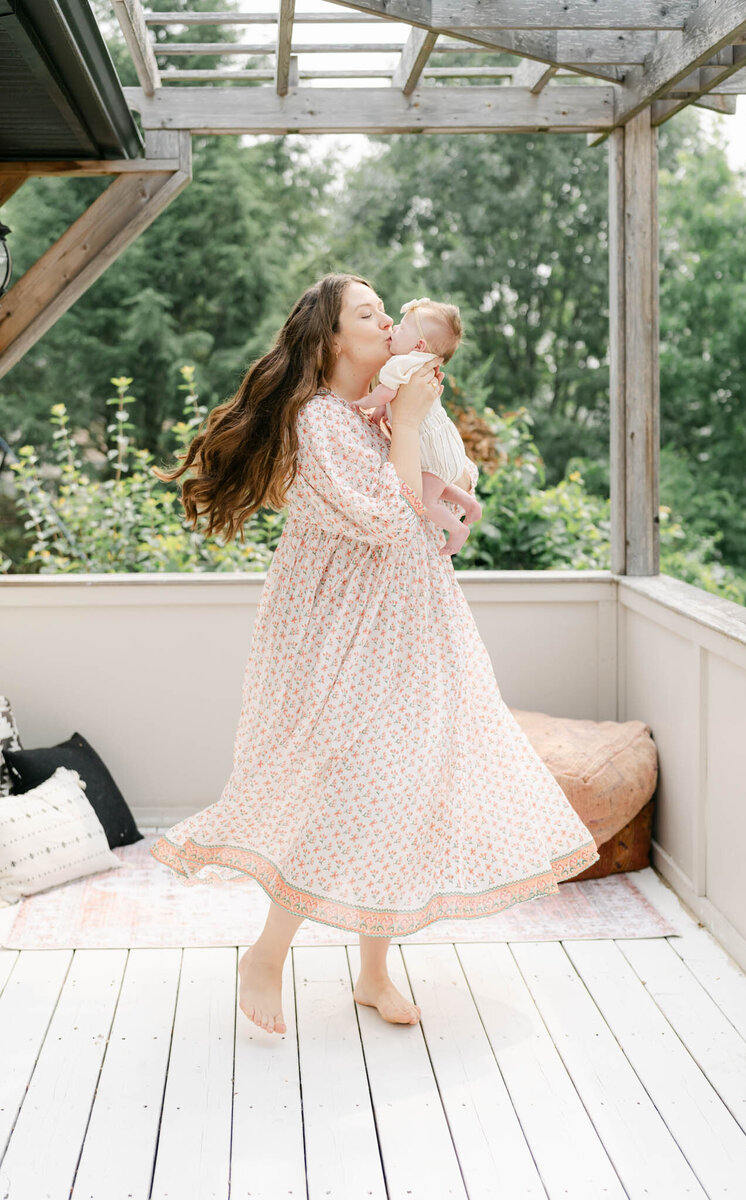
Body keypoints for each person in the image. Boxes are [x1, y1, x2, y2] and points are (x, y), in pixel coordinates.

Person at [149, 272, 600, 1037]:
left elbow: (440, 491)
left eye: (386, 311)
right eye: (369, 313)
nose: (389, 321)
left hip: (413, 629)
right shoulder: (320, 420)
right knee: (342, 785)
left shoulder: (377, 412)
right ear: (331, 339)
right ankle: (266, 954)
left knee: (399, 790)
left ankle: (373, 972)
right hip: (347, 636)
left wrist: (416, 426)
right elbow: (390, 521)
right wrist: (406, 427)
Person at [352, 296, 481, 557]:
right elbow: (394, 398)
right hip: (444, 445)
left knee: (423, 498)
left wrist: (366, 402)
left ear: (419, 344)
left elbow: (385, 394)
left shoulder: (401, 364)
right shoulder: (420, 367)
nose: (393, 328)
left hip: (431, 450)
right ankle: (468, 502)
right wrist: (381, 410)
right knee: (430, 481)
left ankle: (457, 530)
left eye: (401, 326)